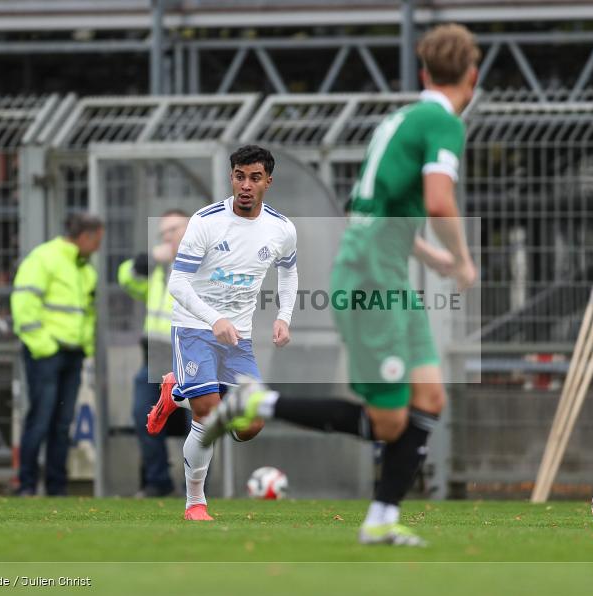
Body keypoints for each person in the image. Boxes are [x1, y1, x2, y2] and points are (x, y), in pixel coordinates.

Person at [202, 24, 480, 546]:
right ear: (473, 74)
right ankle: (257, 403)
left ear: (424, 74)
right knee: (389, 422)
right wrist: (463, 263)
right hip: (372, 276)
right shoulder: (443, 122)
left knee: (430, 397)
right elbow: (440, 202)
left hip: (386, 271)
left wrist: (431, 256)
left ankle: (381, 520)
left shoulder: (400, 119)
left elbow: (364, 208)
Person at [145, 144, 299, 521]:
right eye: (239, 177)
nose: (246, 185)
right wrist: (214, 318)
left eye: (255, 178)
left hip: (238, 338)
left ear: (268, 182)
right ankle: (195, 503)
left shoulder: (281, 228)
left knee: (251, 424)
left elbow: (289, 271)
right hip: (194, 327)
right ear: (231, 178)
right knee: (209, 414)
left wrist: (284, 316)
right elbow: (178, 283)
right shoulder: (206, 221)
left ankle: (176, 391)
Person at [10, 212, 104, 496]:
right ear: (85, 237)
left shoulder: (84, 269)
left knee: (62, 424)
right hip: (47, 354)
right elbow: (23, 303)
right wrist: (44, 346)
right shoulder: (45, 258)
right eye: (97, 241)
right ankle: (27, 485)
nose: (98, 247)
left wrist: (85, 348)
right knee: (41, 420)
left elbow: (86, 314)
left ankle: (56, 487)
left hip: (72, 354)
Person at [118, 209, 192, 498]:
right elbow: (126, 277)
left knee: (197, 422)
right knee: (143, 414)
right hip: (156, 355)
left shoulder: (205, 263)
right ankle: (158, 481)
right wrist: (150, 259)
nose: (168, 237)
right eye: (163, 233)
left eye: (174, 229)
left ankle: (195, 487)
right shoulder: (159, 269)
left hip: (192, 355)